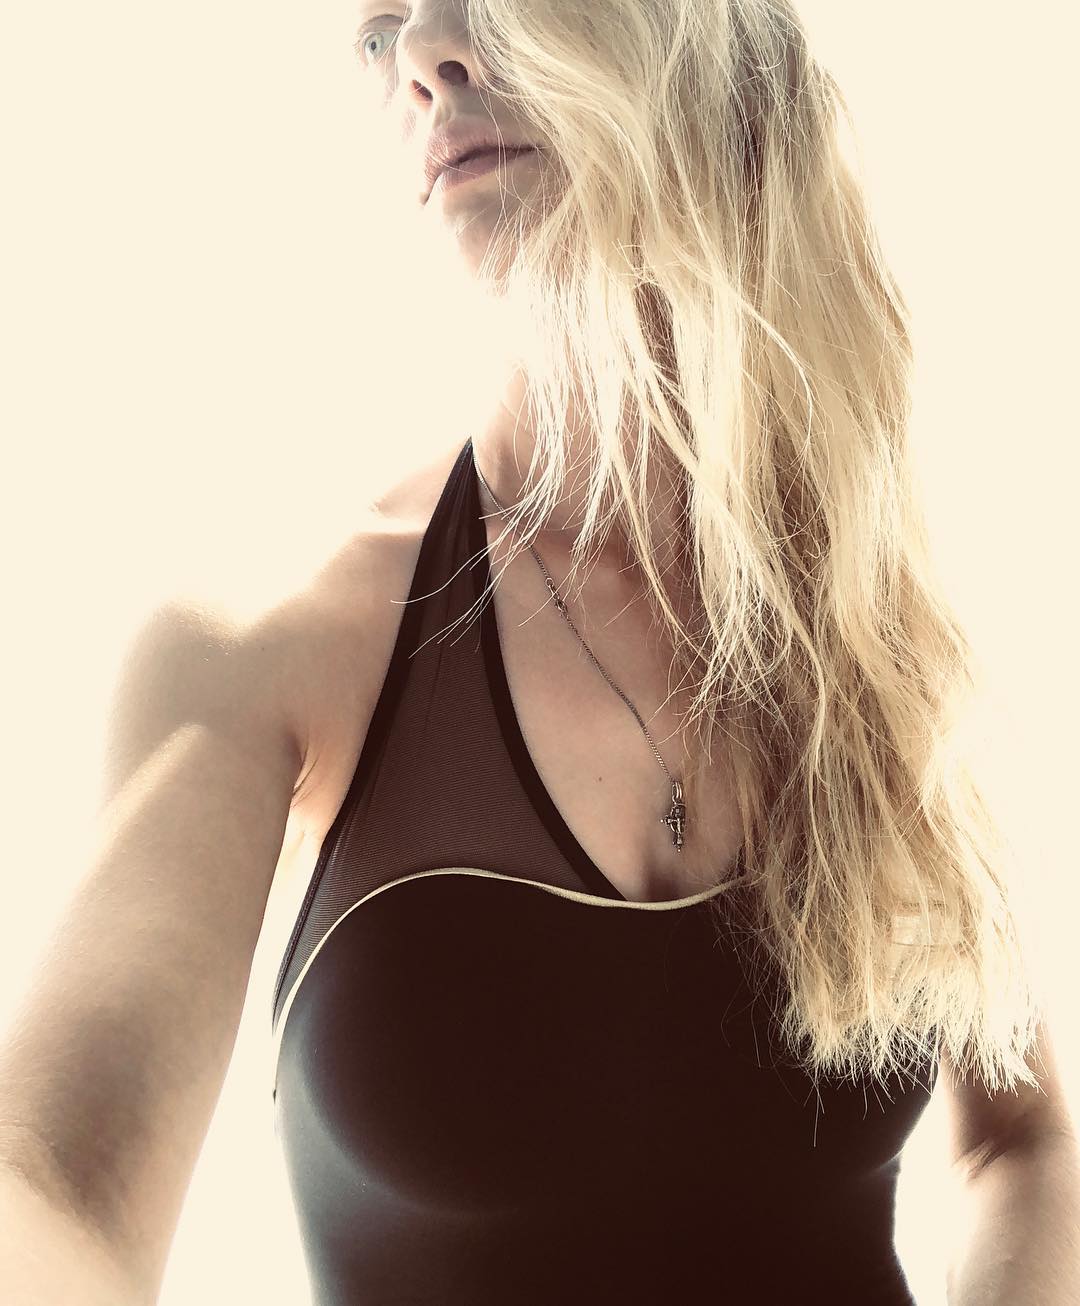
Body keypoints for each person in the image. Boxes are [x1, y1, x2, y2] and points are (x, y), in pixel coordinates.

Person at [2, 2, 1077, 1303]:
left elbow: (1018, 1141)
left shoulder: (865, 613)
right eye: (379, 28)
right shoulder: (271, 649)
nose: (421, 54)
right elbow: (55, 1180)